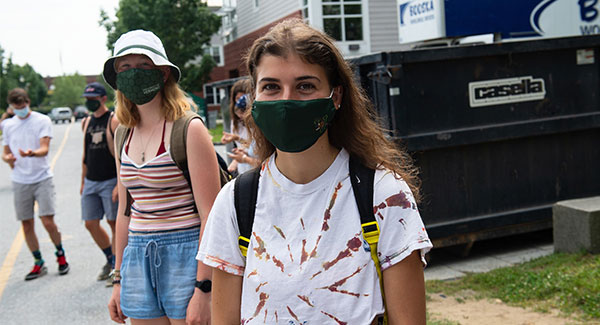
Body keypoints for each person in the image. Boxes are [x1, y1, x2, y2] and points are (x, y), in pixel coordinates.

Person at [197, 19, 432, 324]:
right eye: (271, 87)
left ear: (335, 97)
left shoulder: (384, 196)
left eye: (305, 86)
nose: (286, 101)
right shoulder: (235, 202)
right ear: (254, 98)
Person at [104, 30, 220, 325]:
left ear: (163, 73)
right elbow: (124, 212)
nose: (133, 74)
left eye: (143, 66)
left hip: (186, 253)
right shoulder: (121, 134)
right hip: (137, 256)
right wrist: (118, 279)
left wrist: (203, 288)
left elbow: (211, 215)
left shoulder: (189, 129)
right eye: (125, 68)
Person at [2, 88, 70, 281]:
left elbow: (44, 148)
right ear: (11, 107)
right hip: (19, 179)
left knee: (47, 221)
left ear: (28, 102)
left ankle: (60, 253)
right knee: (26, 223)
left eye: (23, 106)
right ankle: (38, 262)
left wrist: (32, 153)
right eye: (16, 107)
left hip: (41, 177)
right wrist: (8, 158)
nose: (20, 110)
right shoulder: (8, 125)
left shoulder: (42, 120)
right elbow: (5, 153)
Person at [80, 82, 119, 286]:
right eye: (87, 99)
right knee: (90, 223)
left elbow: (121, 157)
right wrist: (82, 182)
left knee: (114, 223)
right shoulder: (85, 122)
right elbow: (85, 155)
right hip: (91, 181)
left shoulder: (113, 120)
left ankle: (116, 267)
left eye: (92, 99)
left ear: (103, 99)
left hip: (109, 180)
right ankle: (110, 258)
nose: (89, 103)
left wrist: (118, 185)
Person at [220, 78, 253, 174]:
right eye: (238, 99)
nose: (241, 103)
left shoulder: (258, 123)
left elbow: (257, 150)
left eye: (244, 98)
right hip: (244, 171)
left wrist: (242, 158)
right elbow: (246, 146)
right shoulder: (235, 121)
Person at [225, 94, 259, 174]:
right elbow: (254, 148)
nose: (242, 120)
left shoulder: (262, 132)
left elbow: (264, 164)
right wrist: (244, 151)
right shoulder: (256, 131)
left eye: (242, 117)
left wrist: (244, 158)